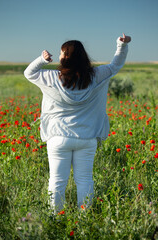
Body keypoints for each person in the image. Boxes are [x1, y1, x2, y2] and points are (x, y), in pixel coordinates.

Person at [24, 33, 131, 213]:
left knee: (57, 180)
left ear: (64, 57)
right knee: (85, 180)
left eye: (61, 53)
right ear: (83, 56)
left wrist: (41, 60)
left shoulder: (51, 76)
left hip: (58, 137)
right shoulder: (96, 75)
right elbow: (115, 65)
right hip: (87, 137)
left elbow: (29, 73)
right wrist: (121, 45)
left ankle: (55, 218)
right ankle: (85, 218)